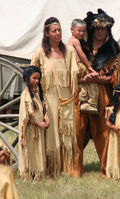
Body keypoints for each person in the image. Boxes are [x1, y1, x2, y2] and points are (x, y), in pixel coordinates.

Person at [74, 9, 120, 177]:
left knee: (103, 133)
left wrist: (95, 79)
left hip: (103, 97)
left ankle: (107, 170)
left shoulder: (113, 51)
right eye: (98, 28)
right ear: (92, 30)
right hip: (81, 95)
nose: (101, 31)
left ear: (108, 29)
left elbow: (114, 78)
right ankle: (75, 170)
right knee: (77, 132)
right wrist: (82, 80)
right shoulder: (81, 47)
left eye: (104, 28)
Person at [31, 17, 79, 177]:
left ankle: (66, 167)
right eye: (54, 31)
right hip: (49, 99)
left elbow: (76, 73)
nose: (58, 33)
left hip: (66, 99)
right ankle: (51, 167)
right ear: (47, 33)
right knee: (51, 132)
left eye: (59, 30)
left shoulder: (70, 52)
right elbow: (32, 76)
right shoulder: (40, 53)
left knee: (66, 131)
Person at [18, 65, 49, 180]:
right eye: (34, 78)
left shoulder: (38, 93)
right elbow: (25, 115)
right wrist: (38, 123)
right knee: (31, 151)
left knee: (38, 151)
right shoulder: (25, 95)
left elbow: (44, 107)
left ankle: (38, 173)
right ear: (27, 78)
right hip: (30, 130)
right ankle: (30, 173)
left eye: (38, 79)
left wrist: (46, 118)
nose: (36, 81)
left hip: (39, 128)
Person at [68, 19, 99, 114]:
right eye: (79, 31)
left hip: (74, 67)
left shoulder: (69, 42)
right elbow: (81, 55)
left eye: (83, 31)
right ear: (71, 30)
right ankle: (92, 102)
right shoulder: (75, 41)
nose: (81, 33)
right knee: (92, 81)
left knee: (83, 84)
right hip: (80, 66)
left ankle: (84, 102)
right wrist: (89, 67)